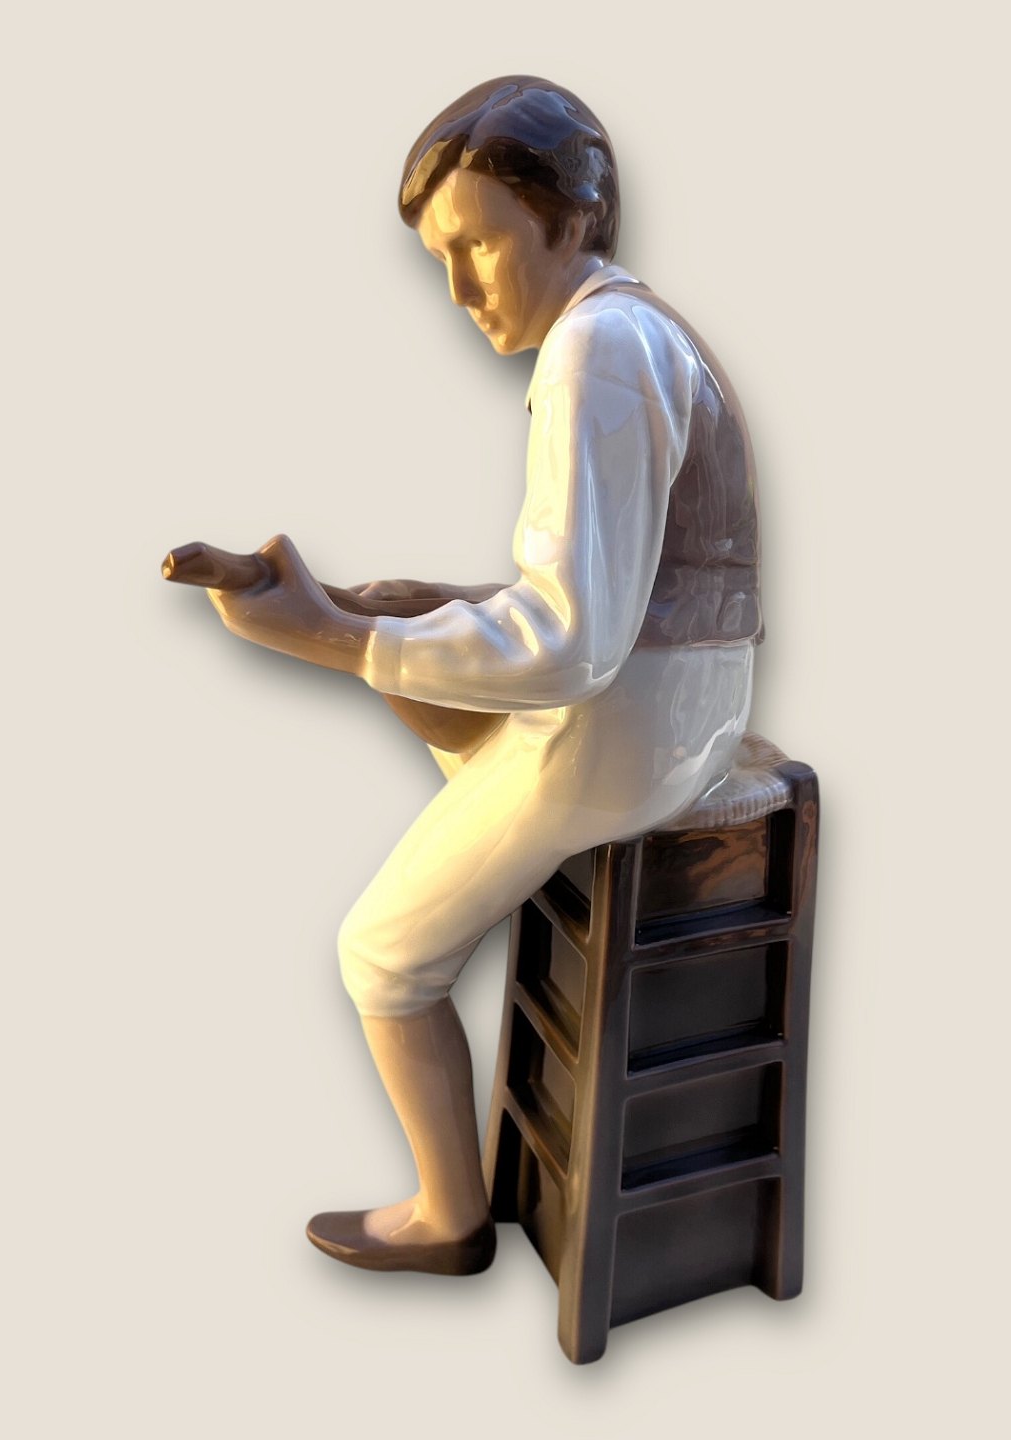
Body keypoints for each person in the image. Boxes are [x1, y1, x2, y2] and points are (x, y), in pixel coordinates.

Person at [186, 76, 763, 1275]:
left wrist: (328, 638)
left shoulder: (595, 352)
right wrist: (397, 612)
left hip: (627, 735)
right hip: (684, 705)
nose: (458, 289)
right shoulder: (636, 328)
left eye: (482, 245)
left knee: (380, 955)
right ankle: (472, 778)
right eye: (442, 259)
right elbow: (612, 590)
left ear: (571, 218)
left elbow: (571, 643)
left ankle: (449, 1216)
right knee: (403, 612)